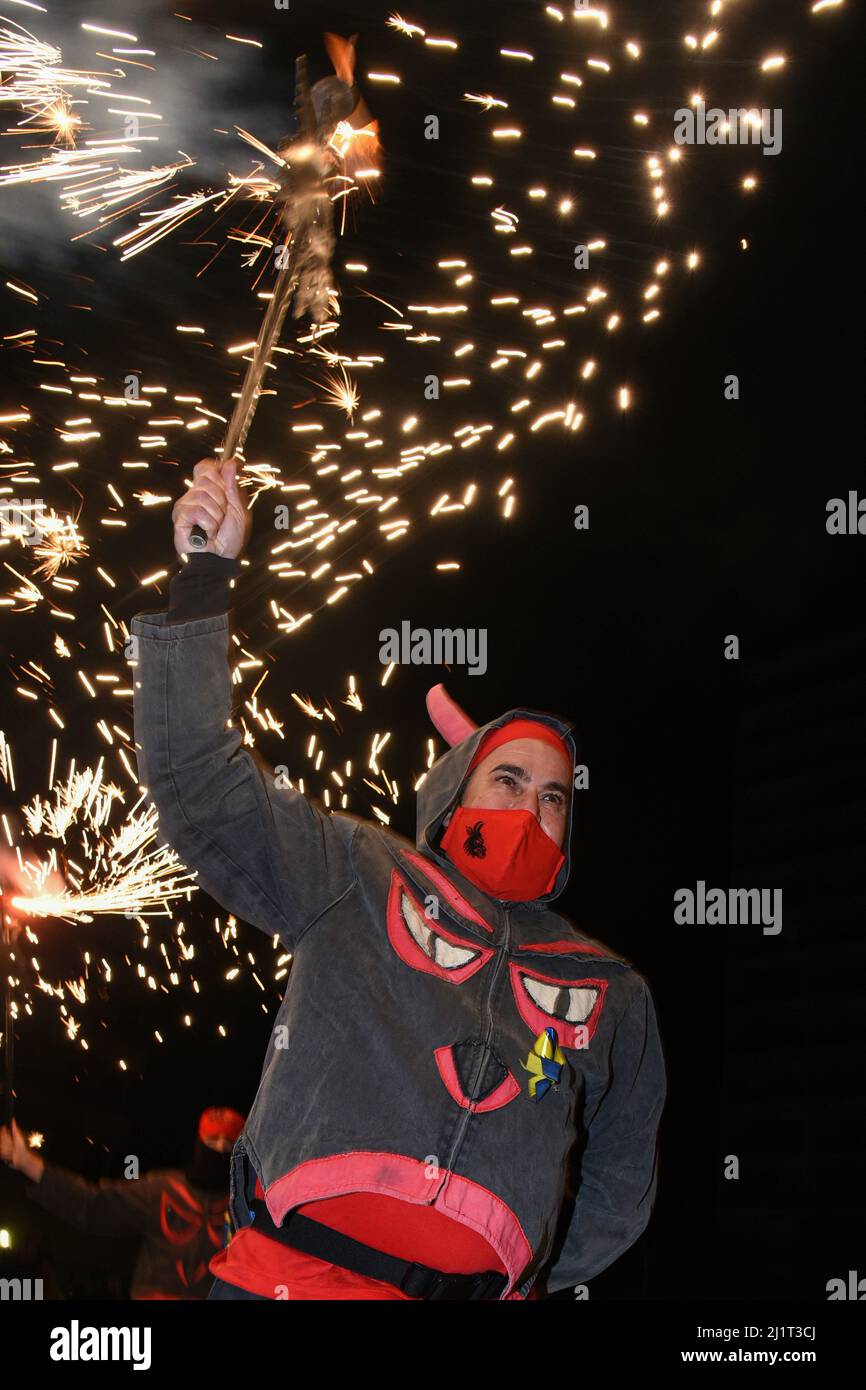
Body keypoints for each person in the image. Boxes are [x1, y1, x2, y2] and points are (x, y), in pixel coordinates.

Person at [128, 457, 667, 1301]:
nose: (530, 810)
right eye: (508, 782)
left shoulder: (609, 990)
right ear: (453, 801)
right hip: (285, 1283)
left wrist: (516, 1277)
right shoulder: (357, 870)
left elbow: (622, 1181)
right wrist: (204, 573)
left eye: (554, 797)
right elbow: (201, 784)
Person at [1, 1106, 244, 1299]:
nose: (219, 1149)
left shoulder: (244, 1206)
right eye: (212, 1142)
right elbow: (93, 1205)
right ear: (199, 1143)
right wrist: (27, 1163)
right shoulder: (161, 1189)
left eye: (228, 1145)